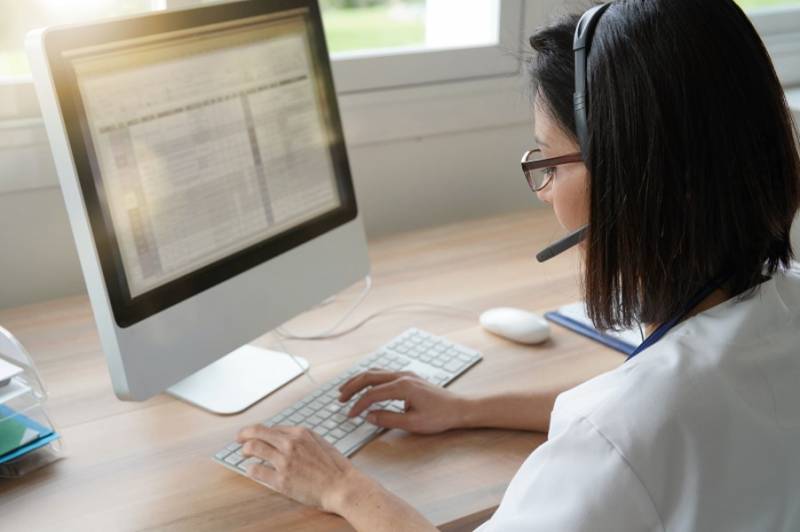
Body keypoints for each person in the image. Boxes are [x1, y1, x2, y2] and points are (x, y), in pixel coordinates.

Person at [235, 0, 800, 530]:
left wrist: (342, 488)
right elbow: (654, 399)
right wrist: (466, 410)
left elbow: (624, 428)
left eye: (548, 161)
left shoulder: (615, 443)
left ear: (628, 180)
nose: (543, 191)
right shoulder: (783, 303)